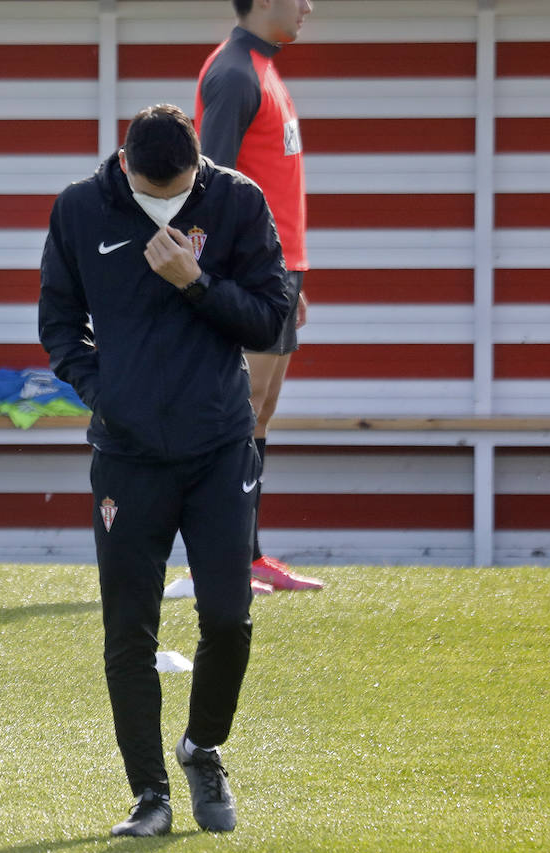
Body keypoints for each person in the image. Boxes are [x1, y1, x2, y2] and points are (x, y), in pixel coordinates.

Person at [38, 104, 290, 836]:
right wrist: (104, 391)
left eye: (178, 193)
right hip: (128, 453)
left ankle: (202, 747)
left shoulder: (239, 200)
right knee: (129, 633)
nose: (166, 205)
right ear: (125, 167)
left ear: (199, 168)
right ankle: (149, 796)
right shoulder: (81, 208)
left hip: (217, 445)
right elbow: (58, 320)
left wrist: (196, 281)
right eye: (153, 195)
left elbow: (271, 319)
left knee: (228, 619)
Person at [190, 0, 324, 592]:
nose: (308, 8)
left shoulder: (264, 69)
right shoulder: (234, 73)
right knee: (228, 414)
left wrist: (293, 275)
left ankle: (247, 555)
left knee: (257, 413)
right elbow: (209, 183)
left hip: (277, 271)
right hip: (248, 273)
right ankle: (210, 563)